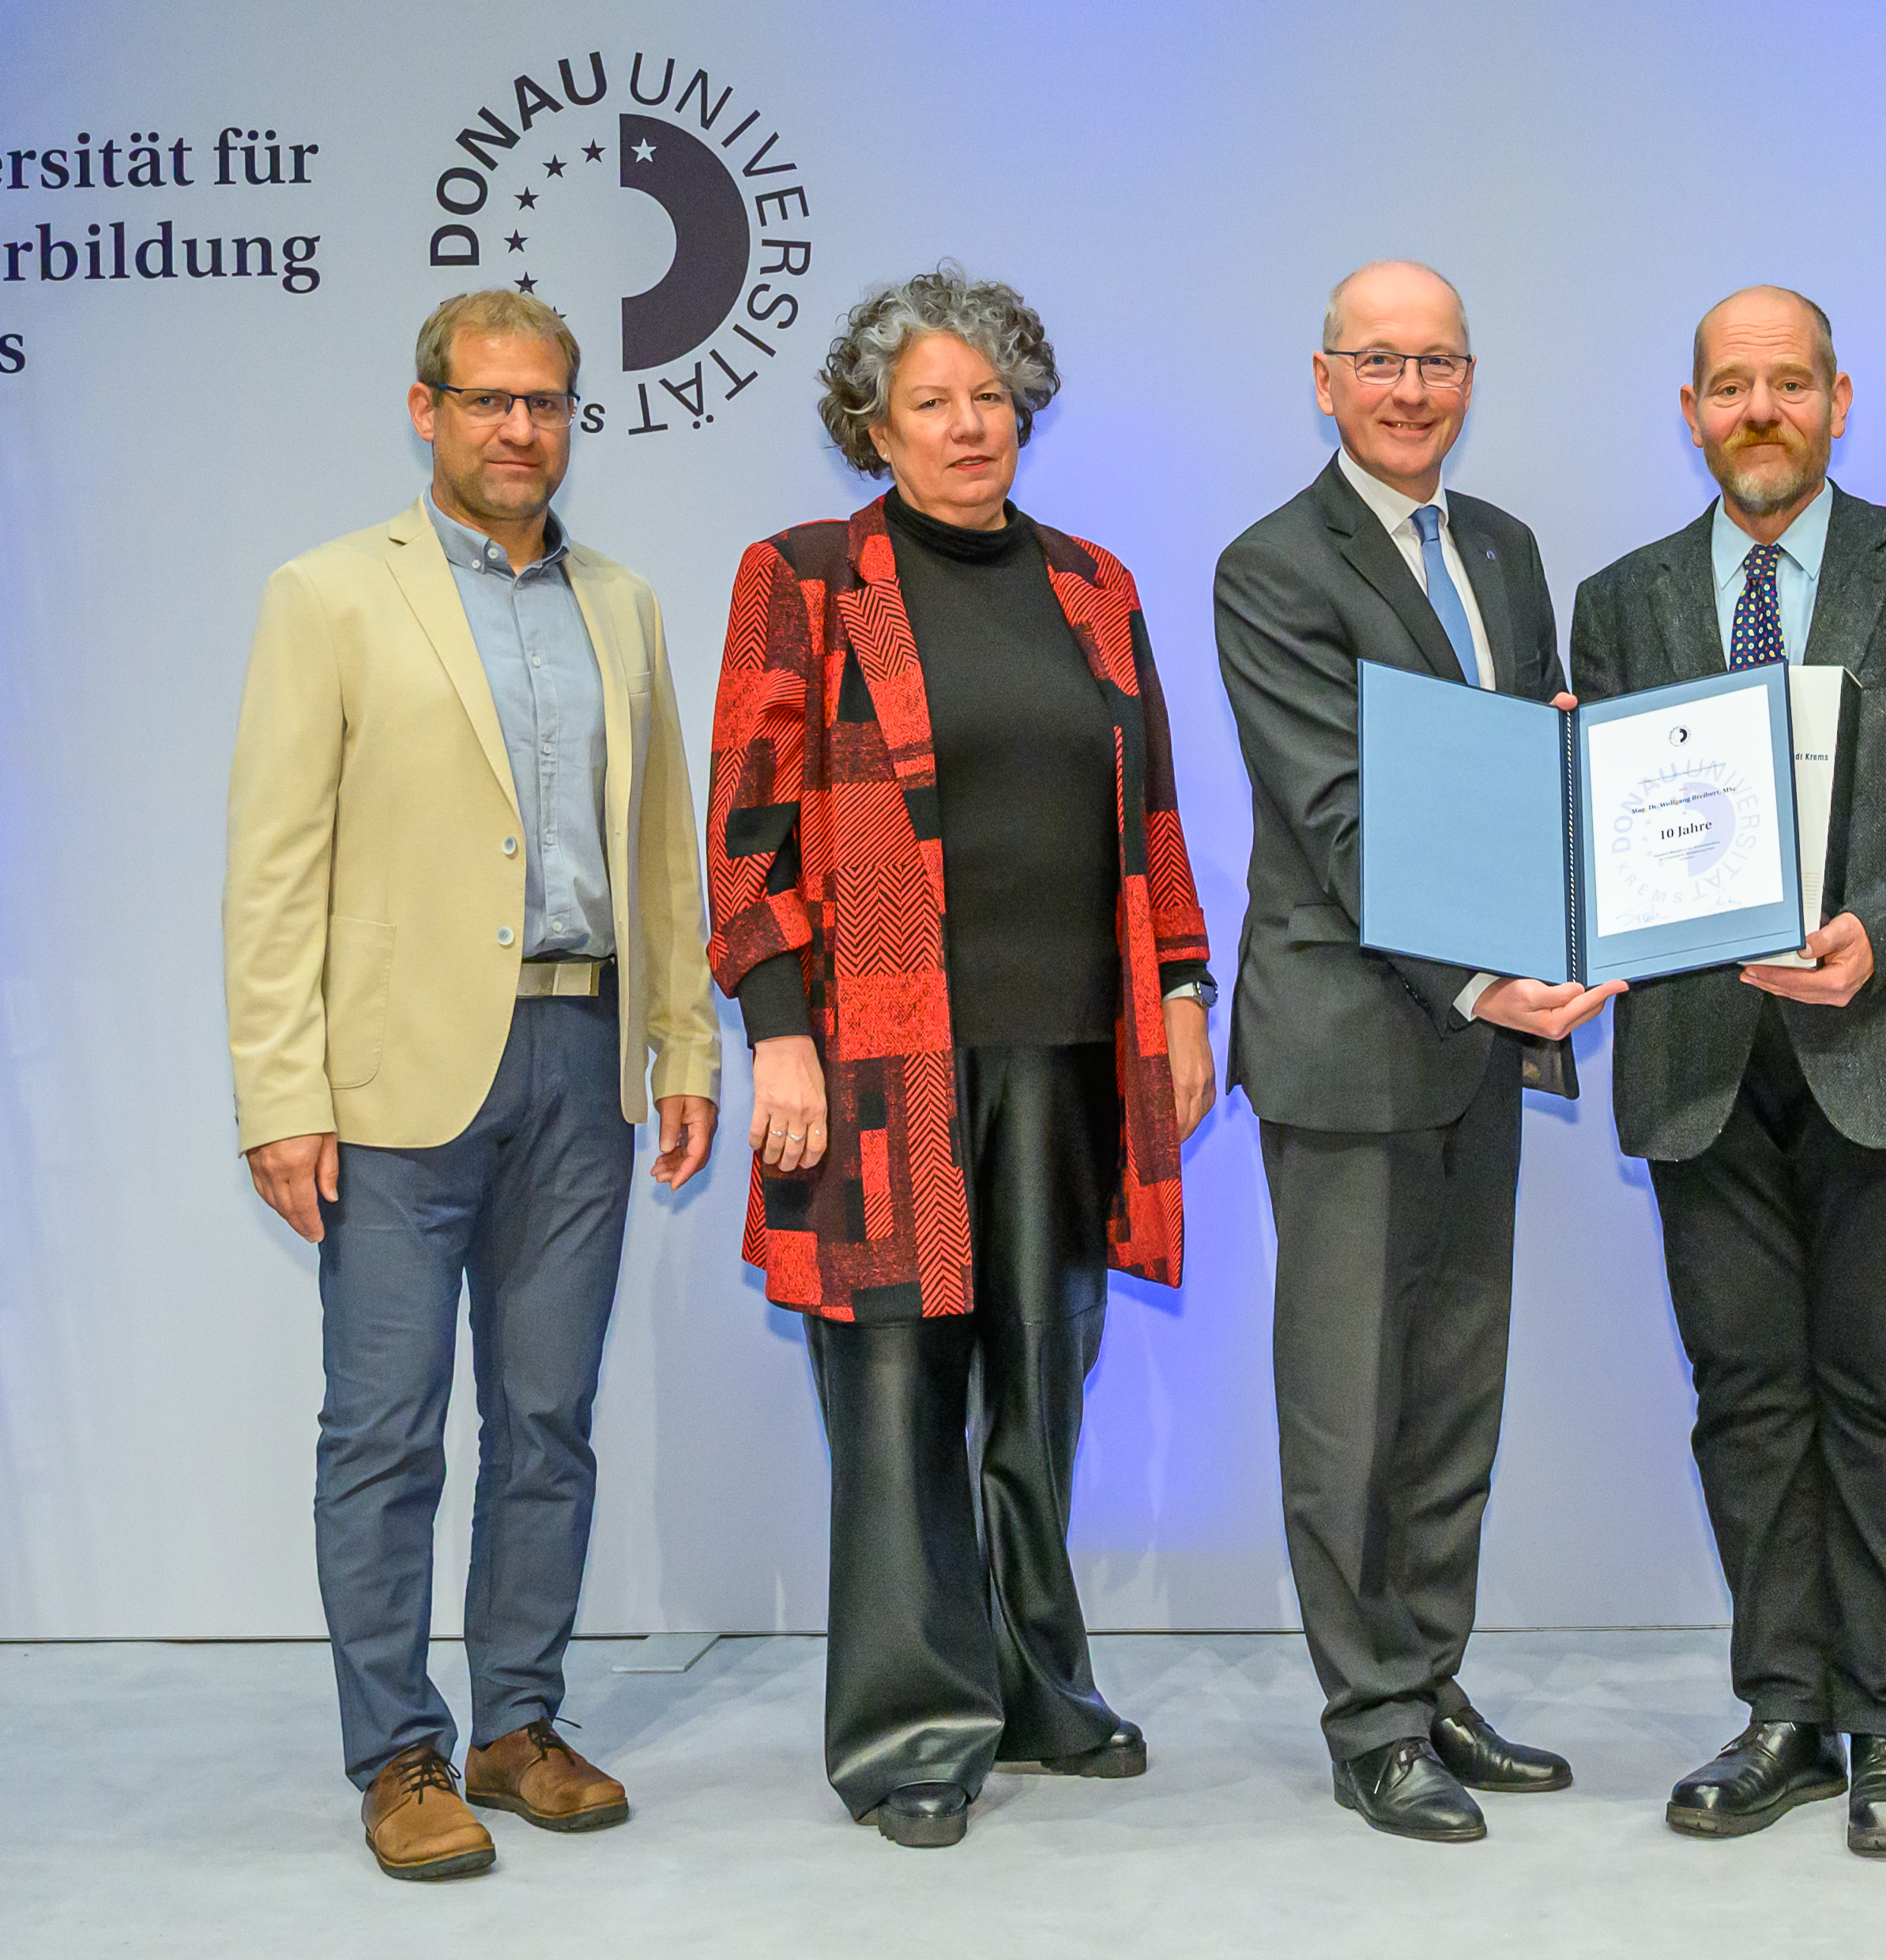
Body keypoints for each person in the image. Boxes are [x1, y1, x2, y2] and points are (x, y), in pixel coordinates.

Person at [704, 267, 1216, 1849]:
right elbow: (747, 832)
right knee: (898, 1392)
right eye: (930, 400)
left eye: (990, 396)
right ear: (873, 425)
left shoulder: (1094, 585)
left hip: (1070, 1051)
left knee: (1039, 1381)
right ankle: (911, 1726)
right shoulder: (803, 576)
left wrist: (1183, 992)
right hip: (876, 1061)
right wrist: (777, 1035)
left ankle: (1037, 1682)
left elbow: (1153, 811)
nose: (967, 424)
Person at [224, 290, 720, 1880]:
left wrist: (685, 1040)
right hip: (393, 1075)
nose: (521, 428)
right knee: (384, 1429)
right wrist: (279, 1092)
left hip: (585, 1054)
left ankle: (517, 1722)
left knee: (549, 1416)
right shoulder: (327, 595)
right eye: (491, 399)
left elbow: (662, 852)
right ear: (425, 409)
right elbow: (275, 868)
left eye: (547, 402)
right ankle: (398, 1752)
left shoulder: (623, 603)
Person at [1569, 287, 1886, 1859]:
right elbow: (1605, 819)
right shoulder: (1619, 599)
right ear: (1691, 411)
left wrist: (1876, 931)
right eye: (1730, 386)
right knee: (1745, 1397)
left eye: (1789, 383)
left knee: (1884, 1392)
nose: (1759, 410)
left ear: (1840, 399)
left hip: (1884, 1040)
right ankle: (1783, 1708)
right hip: (1698, 1058)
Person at [1214, 259, 1611, 1843]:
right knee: (1347, 1402)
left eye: (1436, 361)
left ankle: (1431, 1676)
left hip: (1478, 1039)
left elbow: (1522, 773)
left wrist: (1572, 893)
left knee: (1452, 1388)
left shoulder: (1503, 548)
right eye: (1377, 361)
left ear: (1468, 379)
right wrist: (1486, 976)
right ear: (1324, 380)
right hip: (1349, 1034)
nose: (1409, 389)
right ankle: (1369, 1718)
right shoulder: (1270, 565)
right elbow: (1337, 808)